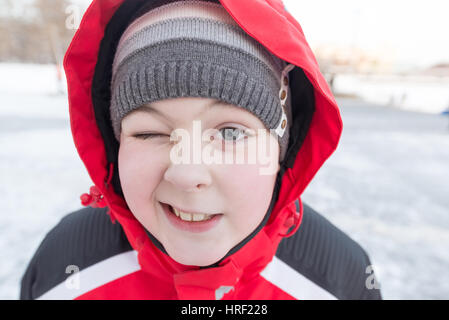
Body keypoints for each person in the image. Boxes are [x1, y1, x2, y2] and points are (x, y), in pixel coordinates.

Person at [20, 0, 382, 300]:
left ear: (280, 150)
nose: (187, 172)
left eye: (230, 132)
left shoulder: (339, 278)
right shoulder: (64, 265)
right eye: (149, 133)